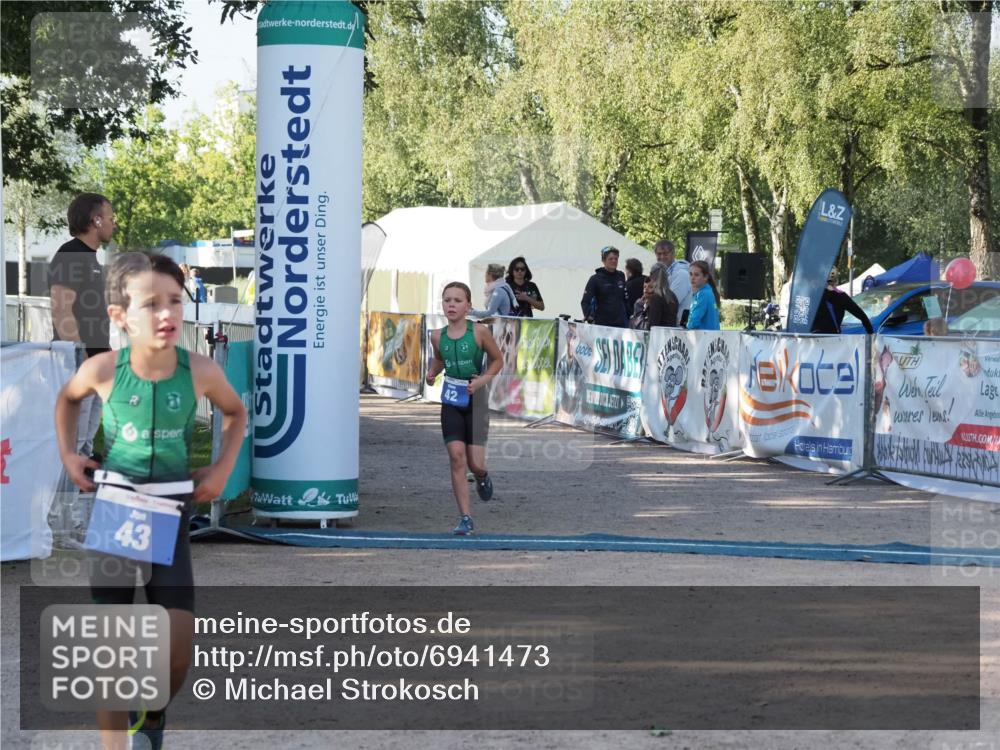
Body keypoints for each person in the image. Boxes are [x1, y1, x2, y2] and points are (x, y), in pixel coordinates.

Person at [54, 252, 247, 750]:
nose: (167, 314)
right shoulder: (102, 369)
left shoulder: (200, 370)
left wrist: (223, 468)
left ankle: (154, 714)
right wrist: (70, 457)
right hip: (117, 511)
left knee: (178, 648)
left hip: (171, 513)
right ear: (118, 315)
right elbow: (67, 399)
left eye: (175, 302)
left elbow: (236, 414)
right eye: (150, 304)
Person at [426, 282, 503, 535]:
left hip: (477, 400)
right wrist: (432, 373)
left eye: (457, 300)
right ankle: (466, 518)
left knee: (475, 463)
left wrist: (482, 380)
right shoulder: (436, 335)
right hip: (451, 399)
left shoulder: (479, 332)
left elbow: (497, 360)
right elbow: (439, 358)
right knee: (457, 457)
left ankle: (482, 476)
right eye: (447, 300)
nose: (451, 304)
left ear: (468, 306)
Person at [49, 193, 116, 461]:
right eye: (110, 218)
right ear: (96, 220)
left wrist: (105, 351)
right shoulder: (70, 255)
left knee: (86, 438)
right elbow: (61, 310)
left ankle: (81, 491)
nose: (114, 223)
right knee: (73, 439)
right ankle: (65, 499)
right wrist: (82, 358)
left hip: (95, 360)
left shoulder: (90, 257)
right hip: (78, 362)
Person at [811, 269, 874, 334]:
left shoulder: (813, 294)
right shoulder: (842, 296)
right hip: (833, 337)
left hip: (811, 336)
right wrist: (870, 331)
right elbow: (860, 314)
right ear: (836, 280)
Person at [581, 246, 628, 327]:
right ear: (604, 261)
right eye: (611, 259)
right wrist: (590, 318)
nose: (614, 261)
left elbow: (625, 299)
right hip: (602, 325)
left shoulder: (621, 275)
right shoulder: (595, 279)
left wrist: (628, 315)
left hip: (620, 325)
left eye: (616, 259)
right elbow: (585, 302)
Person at [654, 239, 693, 324]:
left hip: (679, 328)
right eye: (659, 254)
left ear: (673, 254)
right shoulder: (663, 273)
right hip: (670, 326)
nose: (662, 257)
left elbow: (670, 303)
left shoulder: (681, 274)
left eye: (665, 253)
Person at [686, 260, 722, 330]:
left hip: (705, 338)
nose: (692, 278)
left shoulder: (703, 294)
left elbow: (693, 322)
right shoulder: (708, 291)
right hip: (711, 337)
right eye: (690, 274)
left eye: (696, 275)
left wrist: (686, 327)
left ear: (705, 277)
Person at [645, 262, 680, 329]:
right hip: (670, 336)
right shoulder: (673, 296)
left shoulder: (656, 297)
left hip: (659, 337)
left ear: (651, 276)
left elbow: (652, 325)